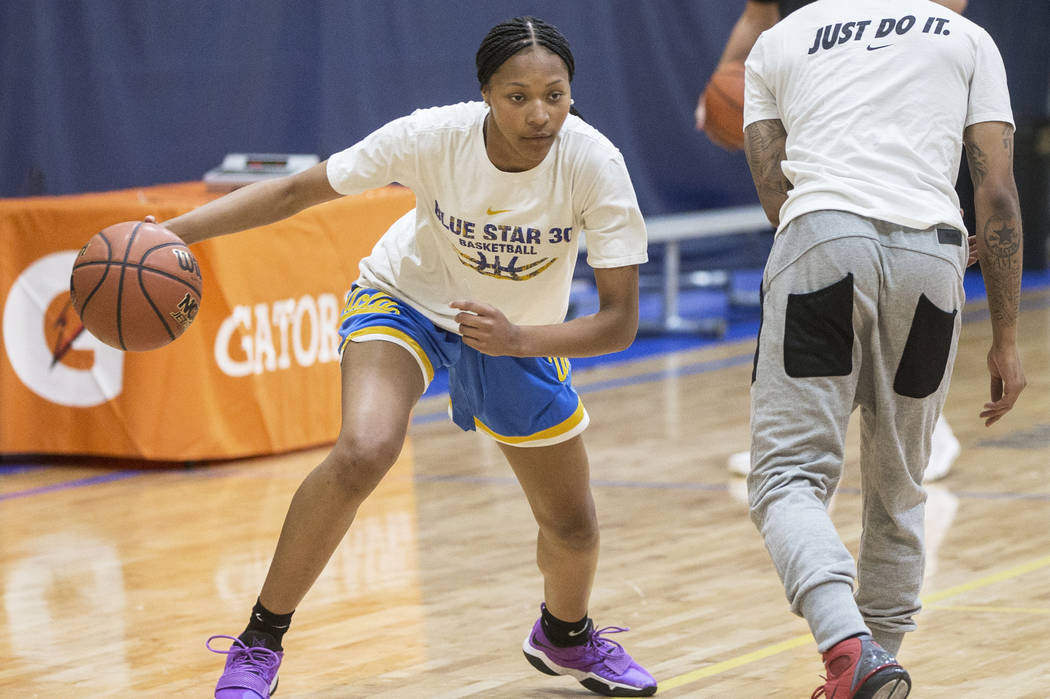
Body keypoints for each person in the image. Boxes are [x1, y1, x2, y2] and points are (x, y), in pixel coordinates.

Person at [157, 16, 657, 699]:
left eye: (555, 94)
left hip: (516, 332)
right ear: (485, 93)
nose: (539, 113)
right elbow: (294, 191)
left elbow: (619, 322)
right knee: (364, 448)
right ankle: (258, 641)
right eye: (518, 96)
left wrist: (518, 340)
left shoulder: (594, 165)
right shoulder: (433, 137)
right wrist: (165, 235)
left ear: (572, 93)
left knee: (573, 524)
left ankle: (564, 635)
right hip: (407, 299)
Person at [741, 0, 1025, 697]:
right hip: (931, 256)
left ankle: (849, 646)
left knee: (787, 476)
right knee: (900, 486)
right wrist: (1007, 338)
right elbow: (996, 194)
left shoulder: (779, 40)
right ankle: (876, 662)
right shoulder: (967, 38)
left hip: (824, 242)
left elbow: (775, 191)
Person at [697, 0, 967, 482]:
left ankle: (928, 432)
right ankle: (784, 438)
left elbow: (949, 11)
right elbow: (758, 14)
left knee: (883, 283)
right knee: (803, 283)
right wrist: (726, 81)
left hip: (883, 105)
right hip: (813, 104)